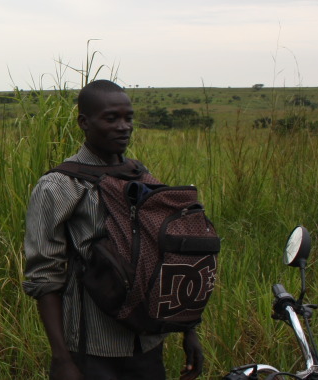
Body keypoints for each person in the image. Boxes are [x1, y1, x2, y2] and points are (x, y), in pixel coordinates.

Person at [22, 80, 203, 380]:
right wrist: (62, 359)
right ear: (84, 122)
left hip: (147, 342)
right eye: (111, 118)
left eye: (128, 118)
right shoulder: (60, 185)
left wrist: (188, 330)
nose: (124, 127)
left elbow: (170, 261)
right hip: (92, 348)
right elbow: (44, 275)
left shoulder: (141, 177)